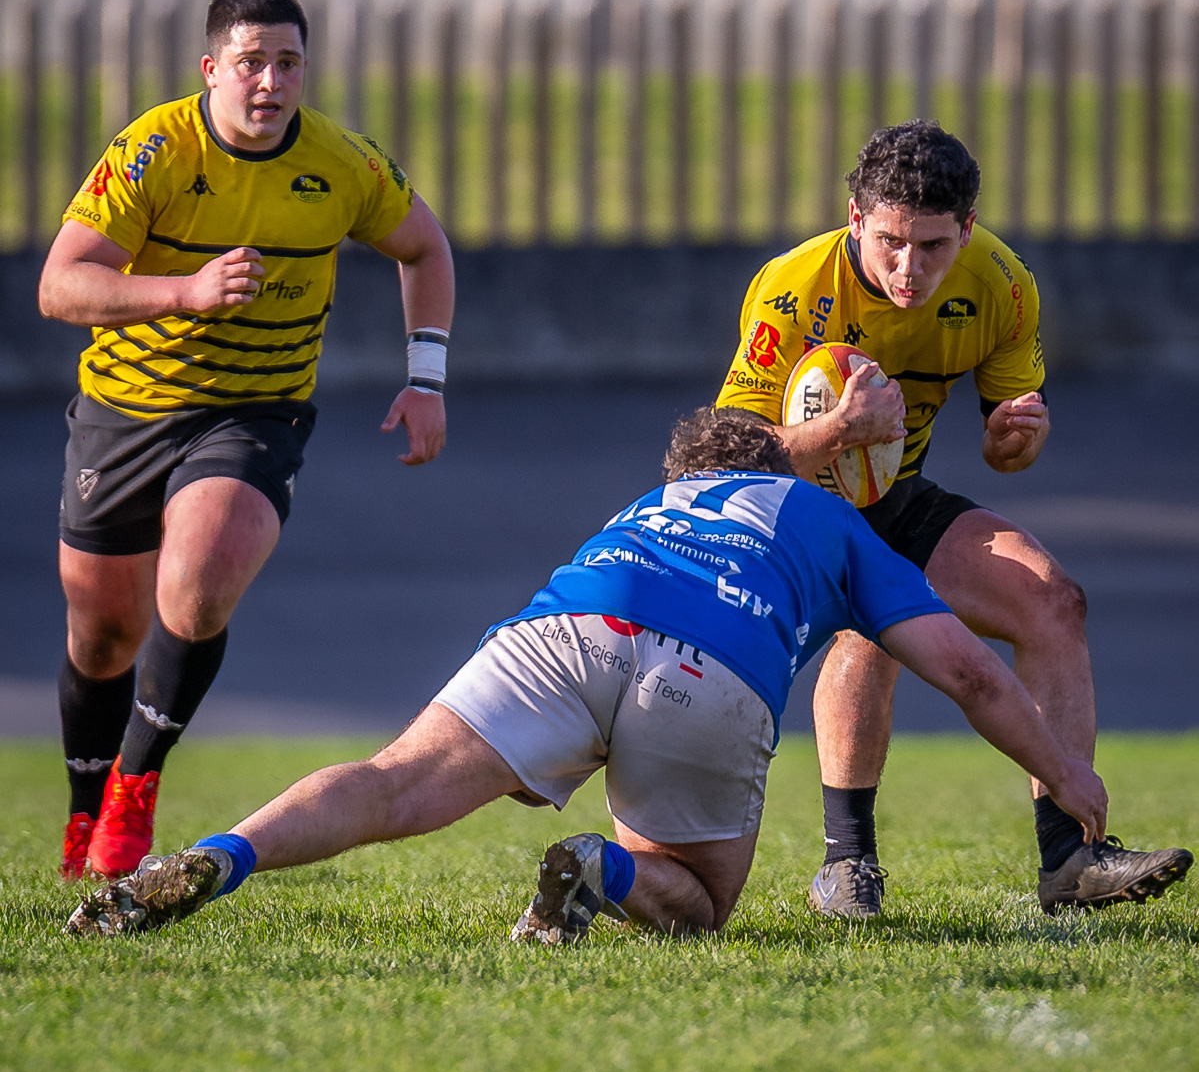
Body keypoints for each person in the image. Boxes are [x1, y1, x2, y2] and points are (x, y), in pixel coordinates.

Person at [67, 407, 1131, 943]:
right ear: (779, 468)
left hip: (571, 628)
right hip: (710, 669)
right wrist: (1061, 771)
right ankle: (599, 869)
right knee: (698, 903)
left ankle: (219, 854)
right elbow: (967, 672)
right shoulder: (827, 515)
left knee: (391, 780)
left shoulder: (648, 505)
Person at [715, 118, 1190, 921]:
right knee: (867, 621)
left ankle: (1068, 857)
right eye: (891, 242)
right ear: (856, 218)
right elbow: (728, 461)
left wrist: (1011, 441)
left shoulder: (1001, 284)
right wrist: (839, 430)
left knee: (1051, 600)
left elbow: (1007, 453)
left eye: (932, 246)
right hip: (784, 517)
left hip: (893, 498)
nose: (910, 268)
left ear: (965, 227)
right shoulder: (792, 287)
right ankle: (846, 862)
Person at [39, 0, 454, 882]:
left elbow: (425, 246)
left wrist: (426, 379)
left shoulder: (343, 163)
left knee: (201, 577)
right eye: (251, 63)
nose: (270, 82)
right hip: (126, 409)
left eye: (288, 63)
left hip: (255, 410)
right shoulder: (153, 150)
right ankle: (83, 812)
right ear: (211, 68)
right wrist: (184, 292)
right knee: (103, 634)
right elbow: (60, 285)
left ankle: (135, 789)